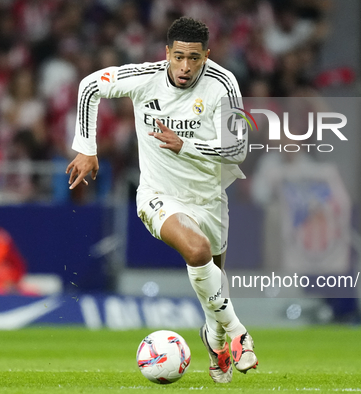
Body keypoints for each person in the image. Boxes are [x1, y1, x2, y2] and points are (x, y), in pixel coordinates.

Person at [66, 17, 257, 383]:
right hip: (158, 195)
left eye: (195, 59)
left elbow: (238, 149)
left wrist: (187, 145)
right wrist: (86, 148)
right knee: (197, 251)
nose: (186, 67)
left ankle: (215, 340)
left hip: (208, 197)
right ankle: (238, 335)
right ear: (167, 52)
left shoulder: (223, 84)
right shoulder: (145, 77)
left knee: (214, 282)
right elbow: (90, 86)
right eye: (179, 57)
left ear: (207, 56)